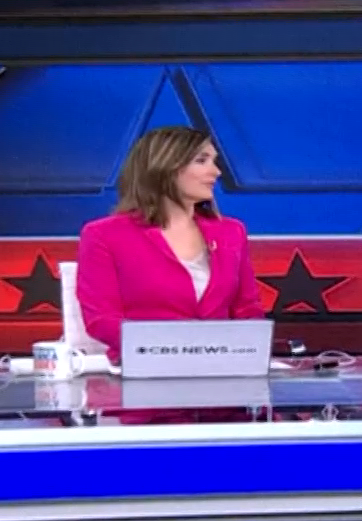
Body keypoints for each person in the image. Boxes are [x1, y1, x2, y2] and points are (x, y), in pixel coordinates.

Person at [75, 126, 266, 365]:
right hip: (145, 372)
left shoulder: (231, 232)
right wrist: (179, 350)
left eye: (214, 161)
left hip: (223, 371)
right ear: (164, 166)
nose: (216, 172)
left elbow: (248, 310)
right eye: (202, 161)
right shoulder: (104, 235)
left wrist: (245, 351)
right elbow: (102, 320)